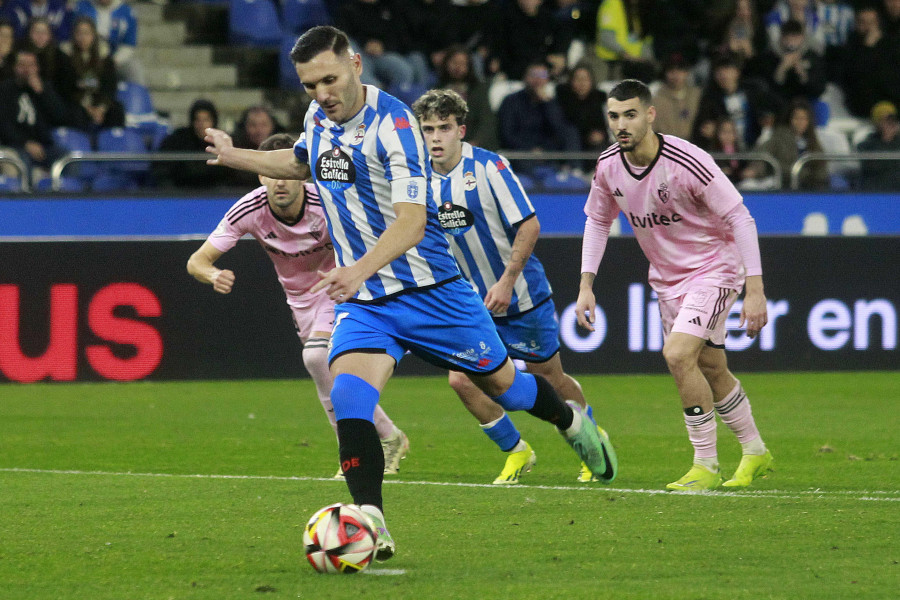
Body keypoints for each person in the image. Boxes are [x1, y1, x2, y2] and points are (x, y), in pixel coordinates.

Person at [204, 25, 617, 562]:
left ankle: (572, 423)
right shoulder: (316, 119)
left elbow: (413, 223)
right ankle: (371, 520)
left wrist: (356, 269)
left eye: (329, 79)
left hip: (433, 293)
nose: (322, 94)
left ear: (355, 63)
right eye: (310, 86)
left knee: (507, 386)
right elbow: (302, 162)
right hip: (369, 301)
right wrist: (236, 156)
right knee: (349, 395)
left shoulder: (396, 125)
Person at [577, 79, 773, 491]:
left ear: (650, 114)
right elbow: (597, 220)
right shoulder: (609, 165)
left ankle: (705, 464)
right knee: (712, 368)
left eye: (630, 114)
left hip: (714, 269)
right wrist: (586, 285)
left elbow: (740, 218)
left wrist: (755, 290)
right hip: (667, 281)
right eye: (614, 116)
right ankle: (755, 451)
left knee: (678, 354)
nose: (621, 124)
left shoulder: (687, 160)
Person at [413, 88, 615, 484]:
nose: (436, 137)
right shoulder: (419, 179)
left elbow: (529, 225)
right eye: (428, 129)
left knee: (549, 377)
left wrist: (506, 281)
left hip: (520, 296)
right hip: (470, 303)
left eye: (444, 128)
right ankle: (516, 450)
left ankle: (589, 436)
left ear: (461, 130)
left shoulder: (490, 167)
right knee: (460, 379)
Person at [187, 133, 411, 477]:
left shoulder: (326, 201)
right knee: (328, 371)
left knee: (317, 357)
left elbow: (373, 233)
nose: (279, 182)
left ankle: (353, 454)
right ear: (261, 175)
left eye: (286, 173)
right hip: (300, 302)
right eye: (270, 174)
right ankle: (387, 436)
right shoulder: (250, 208)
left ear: (302, 173)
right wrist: (212, 274)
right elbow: (197, 261)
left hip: (339, 289)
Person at [0, 48, 69, 184]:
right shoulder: (5, 90)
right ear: (15, 68)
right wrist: (25, 143)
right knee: (22, 164)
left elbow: (61, 116)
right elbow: (4, 125)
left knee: (67, 159)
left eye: (31, 65)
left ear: (37, 68)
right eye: (22, 65)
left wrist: (42, 93)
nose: (27, 70)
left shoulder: (44, 89)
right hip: (16, 145)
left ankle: (69, 198)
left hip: (43, 146)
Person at [60, 15, 124, 131]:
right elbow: (65, 89)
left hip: (98, 103)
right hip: (76, 103)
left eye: (86, 33)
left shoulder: (104, 58)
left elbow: (109, 87)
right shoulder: (65, 57)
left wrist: (101, 108)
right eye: (79, 33)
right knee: (75, 113)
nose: (82, 38)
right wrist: (87, 108)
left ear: (94, 35)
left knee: (117, 110)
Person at [756, 98, 828, 190]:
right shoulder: (778, 137)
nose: (800, 122)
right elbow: (763, 155)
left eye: (804, 119)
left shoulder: (813, 140)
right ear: (790, 119)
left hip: (810, 188)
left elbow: (821, 166)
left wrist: (814, 177)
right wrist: (800, 173)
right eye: (797, 118)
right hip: (785, 187)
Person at [156, 99, 223, 189]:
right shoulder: (177, 140)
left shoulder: (222, 143)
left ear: (213, 121)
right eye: (197, 120)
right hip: (181, 195)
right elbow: (162, 170)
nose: (201, 125)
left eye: (206, 120)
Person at [73, 0, 143, 84]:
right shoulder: (82, 8)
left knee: (133, 68)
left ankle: (137, 95)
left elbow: (129, 44)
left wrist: (114, 61)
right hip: (86, 57)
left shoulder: (127, 12)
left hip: (115, 59)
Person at [651, 55, 700, 141]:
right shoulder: (656, 99)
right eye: (671, 71)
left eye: (680, 70)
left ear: (687, 72)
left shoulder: (697, 95)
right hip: (666, 148)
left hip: (694, 147)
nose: (676, 75)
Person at [857, 100, 900, 191]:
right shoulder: (866, 145)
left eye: (892, 120)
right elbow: (872, 167)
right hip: (876, 191)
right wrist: (886, 140)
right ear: (877, 123)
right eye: (885, 121)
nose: (890, 124)